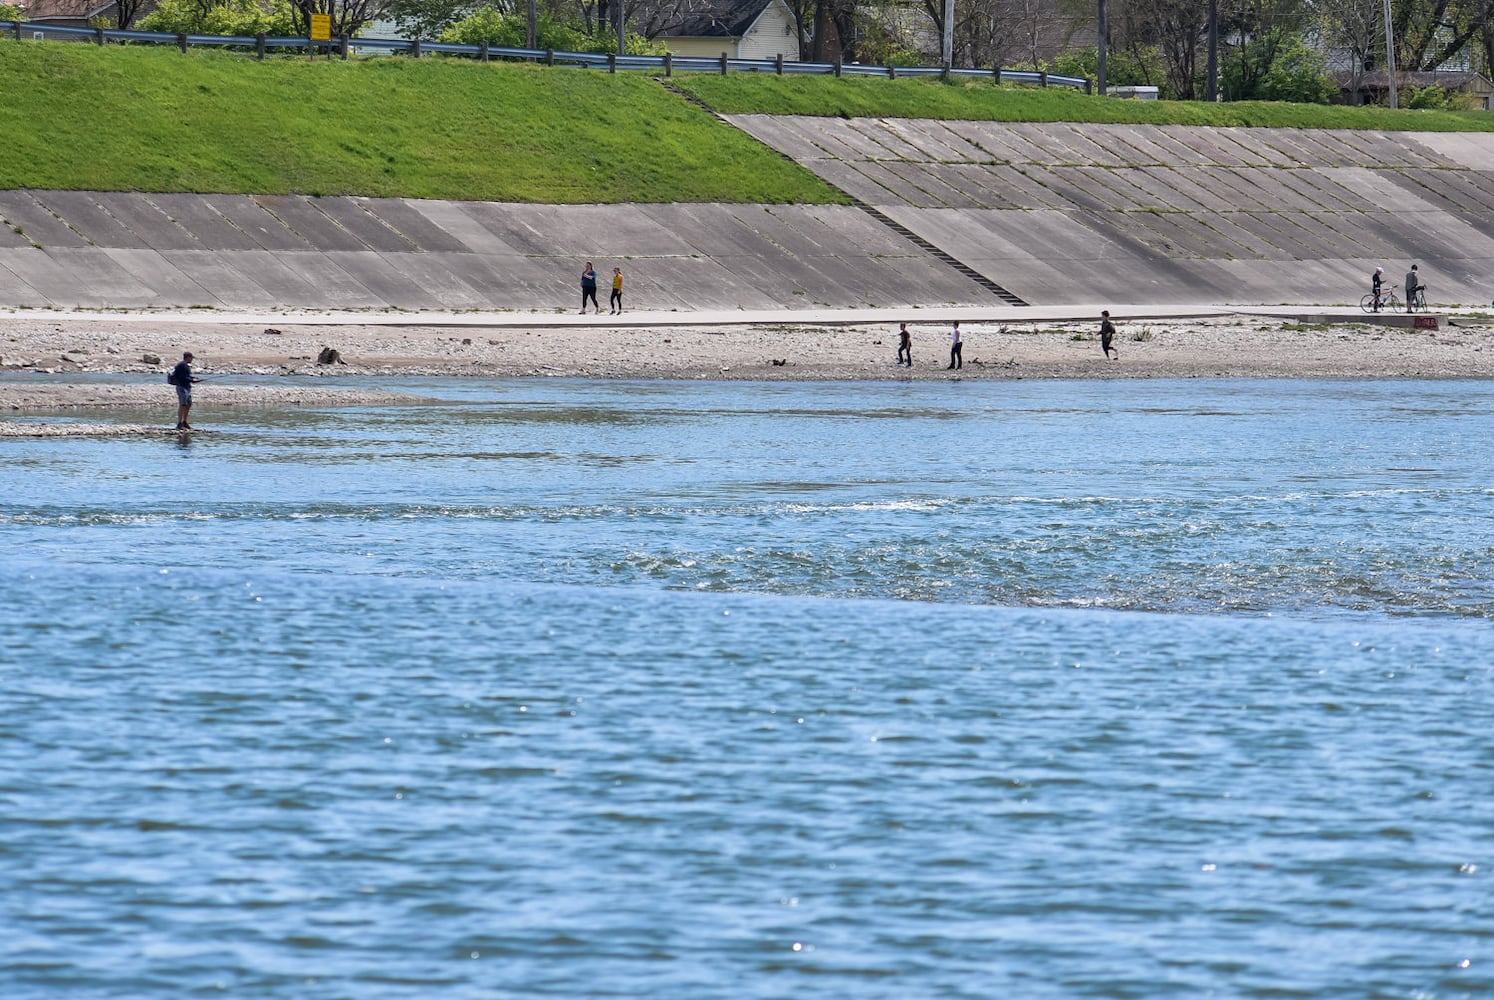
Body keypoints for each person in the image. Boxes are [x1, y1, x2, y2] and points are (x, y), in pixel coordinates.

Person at [170, 351, 200, 430]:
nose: (192, 360)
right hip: (182, 387)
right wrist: (193, 380)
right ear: (187, 357)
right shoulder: (182, 365)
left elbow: (187, 376)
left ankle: (185, 422)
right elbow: (183, 377)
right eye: (191, 358)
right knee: (183, 404)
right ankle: (179, 423)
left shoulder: (185, 365)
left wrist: (193, 378)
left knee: (188, 404)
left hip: (186, 387)